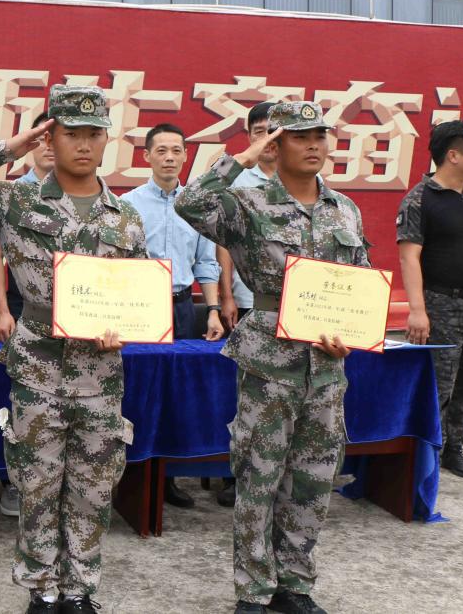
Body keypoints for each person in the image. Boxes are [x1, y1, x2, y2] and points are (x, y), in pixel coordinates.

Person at [0, 86, 147, 614]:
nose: (83, 144)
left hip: (100, 371)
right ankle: (43, 588)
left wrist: (125, 327)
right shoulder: (15, 202)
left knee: (94, 487)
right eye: (71, 133)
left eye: (93, 134)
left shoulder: (125, 218)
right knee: (37, 483)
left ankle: (80, 589)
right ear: (51, 138)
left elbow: (137, 293)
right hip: (38, 365)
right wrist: (12, 147)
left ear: (106, 140)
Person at [176, 101, 366, 614]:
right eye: (300, 137)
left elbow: (360, 279)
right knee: (258, 476)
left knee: (313, 478)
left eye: (319, 136)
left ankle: (295, 586)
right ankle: (254, 590)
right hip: (269, 361)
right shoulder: (247, 204)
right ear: (275, 145)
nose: (313, 146)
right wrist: (243, 156)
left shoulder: (344, 209)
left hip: (326, 367)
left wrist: (354, 333)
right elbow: (190, 203)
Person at [120, 122, 223, 511]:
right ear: (146, 156)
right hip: (138, 307)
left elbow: (206, 263)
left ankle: (167, 478)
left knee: (175, 393)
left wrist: (212, 310)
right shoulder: (127, 204)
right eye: (161, 150)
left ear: (185, 156)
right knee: (135, 389)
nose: (169, 157)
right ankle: (129, 474)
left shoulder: (196, 206)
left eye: (176, 150)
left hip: (181, 306)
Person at [397, 119, 463, 481]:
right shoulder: (420, 199)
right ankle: (427, 455)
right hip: (441, 305)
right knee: (437, 386)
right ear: (453, 156)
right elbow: (409, 257)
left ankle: (454, 449)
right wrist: (418, 310)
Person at [0, 110, 54, 519]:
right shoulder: (11, 195)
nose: (50, 146)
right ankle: (15, 482)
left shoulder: (86, 197)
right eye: (43, 138)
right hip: (21, 306)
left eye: (58, 137)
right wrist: (1, 310)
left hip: (74, 312)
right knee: (21, 396)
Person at [213, 101, 276, 509]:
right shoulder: (238, 181)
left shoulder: (310, 182)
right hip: (251, 302)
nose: (268, 139)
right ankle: (238, 478)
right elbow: (222, 242)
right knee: (248, 394)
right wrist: (227, 294)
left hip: (302, 310)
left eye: (275, 130)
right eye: (260, 131)